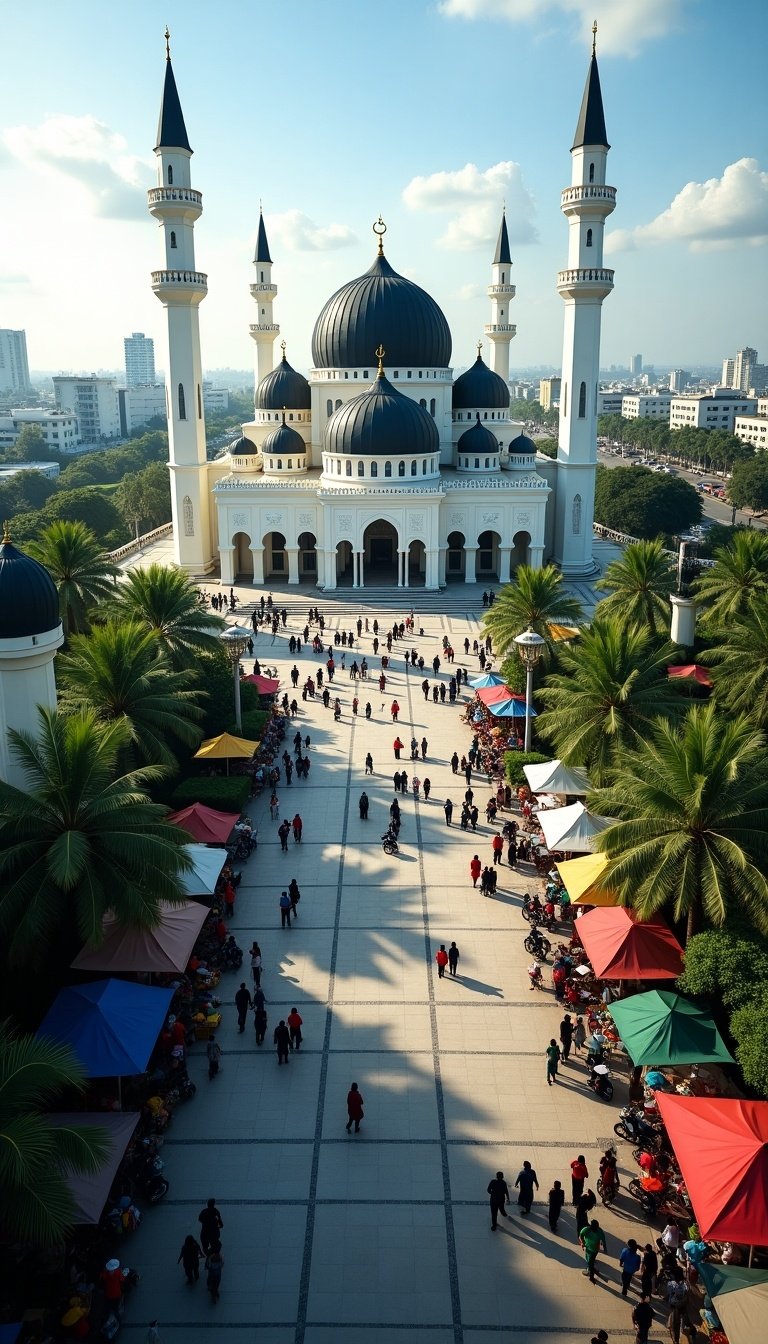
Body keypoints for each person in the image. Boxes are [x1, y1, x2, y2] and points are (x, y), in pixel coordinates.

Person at [580, 1218, 607, 1283]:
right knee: (590, 1258)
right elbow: (603, 1241)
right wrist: (605, 1248)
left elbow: (581, 1235)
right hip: (593, 1249)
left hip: (591, 1249)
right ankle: (591, 1264)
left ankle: (591, 1275)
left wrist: (582, 1243)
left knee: (590, 1263)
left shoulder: (586, 1229)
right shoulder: (599, 1231)